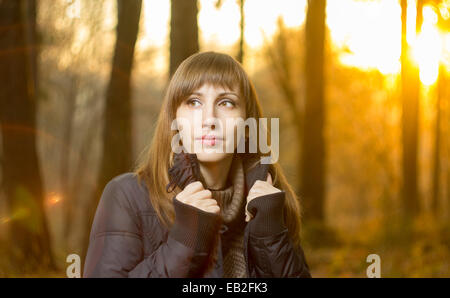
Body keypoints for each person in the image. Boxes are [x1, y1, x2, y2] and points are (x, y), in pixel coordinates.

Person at [83, 51, 311, 278]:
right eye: (193, 102)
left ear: (247, 123)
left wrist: (270, 237)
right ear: (174, 119)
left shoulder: (270, 201)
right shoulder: (127, 195)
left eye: (226, 103)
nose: (209, 119)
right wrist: (184, 242)